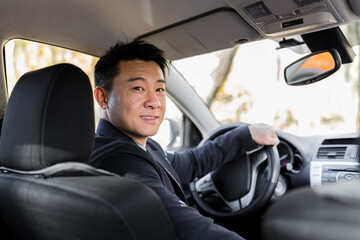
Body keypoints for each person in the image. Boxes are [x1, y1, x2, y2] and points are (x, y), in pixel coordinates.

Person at [89, 40, 280, 240]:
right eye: (138, 88)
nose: (154, 102)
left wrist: (246, 135)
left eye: (160, 89)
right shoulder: (118, 160)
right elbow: (185, 226)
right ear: (103, 98)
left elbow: (191, 163)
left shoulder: (143, 147)